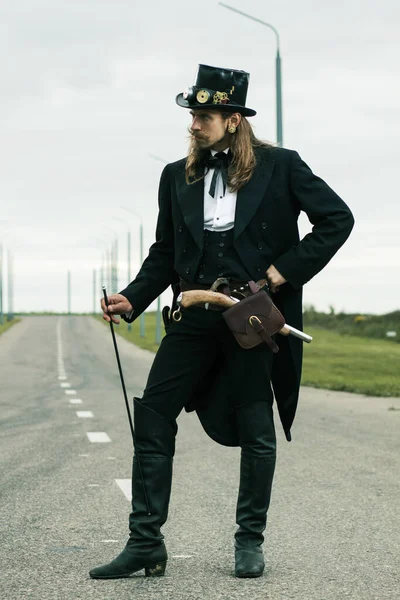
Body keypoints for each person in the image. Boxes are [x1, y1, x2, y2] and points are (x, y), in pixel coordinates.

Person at [89, 64, 354, 580]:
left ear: (233, 120)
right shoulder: (176, 175)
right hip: (191, 315)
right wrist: (133, 297)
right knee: (153, 415)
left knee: (256, 429)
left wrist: (280, 273)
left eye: (204, 116)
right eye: (192, 115)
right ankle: (145, 542)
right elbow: (166, 252)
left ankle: (249, 542)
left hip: (252, 319)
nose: (193, 125)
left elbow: (336, 219)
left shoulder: (281, 166)